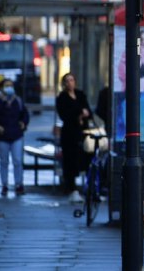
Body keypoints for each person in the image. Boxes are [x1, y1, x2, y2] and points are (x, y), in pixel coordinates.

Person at [0, 79, 29, 196]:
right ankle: (5, 185)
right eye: (6, 86)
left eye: (11, 85)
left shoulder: (17, 101)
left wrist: (23, 123)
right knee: (4, 161)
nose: (9, 88)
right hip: (2, 137)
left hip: (16, 135)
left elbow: (25, 114)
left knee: (17, 160)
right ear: (1, 88)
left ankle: (19, 184)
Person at [55, 73, 92, 203]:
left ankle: (89, 188)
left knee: (85, 158)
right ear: (64, 83)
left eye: (72, 80)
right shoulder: (62, 97)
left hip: (82, 133)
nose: (70, 83)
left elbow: (89, 111)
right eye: (67, 81)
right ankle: (71, 188)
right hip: (70, 134)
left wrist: (84, 115)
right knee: (70, 161)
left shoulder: (80, 94)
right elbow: (65, 115)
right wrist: (79, 115)